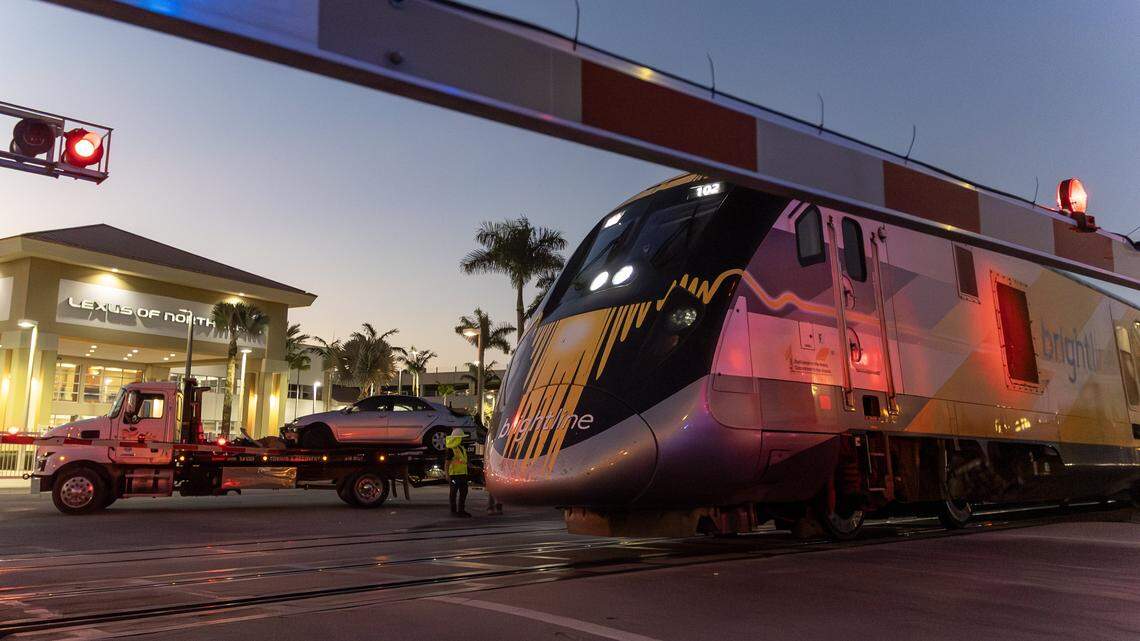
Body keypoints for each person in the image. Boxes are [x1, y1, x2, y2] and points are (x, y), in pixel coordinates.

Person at [445, 428, 471, 517]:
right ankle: (454, 511)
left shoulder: (462, 448)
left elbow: (464, 461)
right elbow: (447, 463)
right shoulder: (451, 450)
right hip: (454, 475)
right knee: (453, 493)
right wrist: (447, 475)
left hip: (463, 475)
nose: (462, 439)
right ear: (457, 438)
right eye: (461, 438)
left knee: (463, 492)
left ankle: (461, 511)